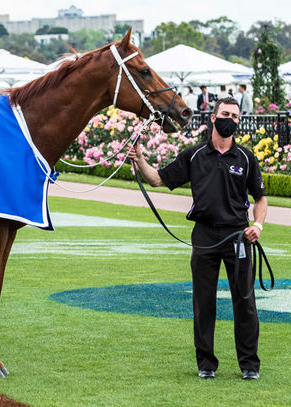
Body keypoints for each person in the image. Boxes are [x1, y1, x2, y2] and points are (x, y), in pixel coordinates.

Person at [129, 97, 267, 381]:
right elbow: (157, 179)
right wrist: (140, 159)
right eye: (226, 113)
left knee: (245, 301)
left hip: (238, 236)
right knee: (204, 302)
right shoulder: (193, 155)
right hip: (204, 234)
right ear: (213, 118)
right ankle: (206, 363)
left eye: (235, 116)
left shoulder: (246, 158)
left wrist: (258, 225)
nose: (231, 119)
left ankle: (249, 365)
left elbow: (261, 199)